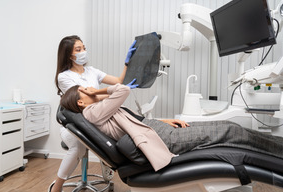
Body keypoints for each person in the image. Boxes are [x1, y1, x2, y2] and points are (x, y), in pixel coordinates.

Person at [60, 83, 283, 171]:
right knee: (232, 131)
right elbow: (123, 90)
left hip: (157, 129)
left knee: (229, 127)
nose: (90, 89)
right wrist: (97, 92)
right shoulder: (91, 112)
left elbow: (132, 118)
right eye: (85, 91)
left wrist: (164, 120)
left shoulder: (100, 111)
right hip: (162, 138)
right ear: (81, 101)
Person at [51, 35, 136, 192]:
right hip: (75, 124)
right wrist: (114, 93)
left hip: (96, 120)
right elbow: (87, 98)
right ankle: (57, 187)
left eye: (84, 48)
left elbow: (118, 80)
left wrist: (127, 63)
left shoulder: (92, 71)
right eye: (78, 49)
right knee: (78, 147)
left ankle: (108, 168)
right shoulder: (64, 77)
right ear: (69, 54)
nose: (83, 51)